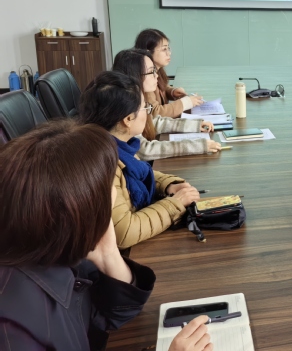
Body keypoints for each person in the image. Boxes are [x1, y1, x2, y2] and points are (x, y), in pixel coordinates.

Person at [0, 120, 212, 351]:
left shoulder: (64, 254)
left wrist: (108, 254)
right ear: (82, 206)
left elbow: (110, 319)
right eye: (110, 185)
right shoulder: (14, 331)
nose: (115, 194)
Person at [80, 71, 201, 249]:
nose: (148, 113)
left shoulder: (115, 144)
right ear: (128, 120)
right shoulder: (103, 164)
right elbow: (125, 232)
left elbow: (139, 172)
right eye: (145, 108)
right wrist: (175, 204)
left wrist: (167, 184)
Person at [113, 48, 222, 160]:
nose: (156, 76)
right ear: (134, 75)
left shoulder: (137, 96)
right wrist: (197, 146)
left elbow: (153, 122)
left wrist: (195, 125)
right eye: (151, 72)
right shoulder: (125, 105)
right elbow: (144, 150)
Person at [135, 28, 204, 118]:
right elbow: (155, 113)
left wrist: (172, 92)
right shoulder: (145, 79)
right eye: (164, 49)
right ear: (148, 52)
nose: (169, 53)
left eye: (168, 48)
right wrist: (186, 103)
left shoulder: (156, 71)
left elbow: (160, 87)